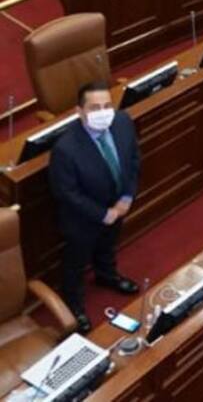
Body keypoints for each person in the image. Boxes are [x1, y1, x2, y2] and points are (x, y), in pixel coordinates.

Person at [48, 82, 141, 333]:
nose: (103, 112)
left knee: (108, 246)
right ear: (79, 111)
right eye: (95, 107)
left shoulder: (122, 122)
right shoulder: (65, 149)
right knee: (75, 263)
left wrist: (127, 197)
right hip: (82, 218)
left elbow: (132, 161)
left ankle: (107, 275)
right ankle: (74, 305)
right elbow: (66, 193)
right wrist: (102, 214)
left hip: (118, 206)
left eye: (107, 105)